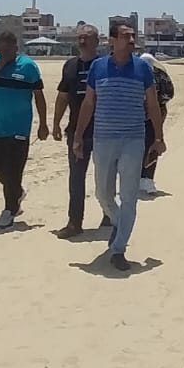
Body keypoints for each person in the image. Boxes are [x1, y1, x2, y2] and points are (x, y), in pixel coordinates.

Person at [73, 20, 165, 272]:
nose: (132, 40)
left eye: (133, 36)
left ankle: (118, 248)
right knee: (103, 193)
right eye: (126, 36)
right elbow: (89, 103)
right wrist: (78, 136)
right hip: (103, 138)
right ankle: (118, 222)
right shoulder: (98, 67)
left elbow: (153, 104)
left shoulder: (143, 68)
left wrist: (158, 137)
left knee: (129, 196)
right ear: (112, 41)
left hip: (133, 140)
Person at [0, 31, 49, 227]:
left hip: (19, 129)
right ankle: (17, 192)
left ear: (16, 48)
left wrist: (43, 124)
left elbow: (39, 96)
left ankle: (10, 209)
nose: (5, 52)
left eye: (9, 49)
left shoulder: (28, 66)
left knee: (13, 170)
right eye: (2, 49)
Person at [52, 25, 109, 238]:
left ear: (97, 41)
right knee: (76, 178)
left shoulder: (105, 65)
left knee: (105, 176)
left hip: (104, 131)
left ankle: (109, 214)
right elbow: (63, 96)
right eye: (80, 37)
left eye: (88, 37)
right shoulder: (70, 66)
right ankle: (74, 222)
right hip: (77, 131)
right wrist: (56, 123)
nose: (83, 41)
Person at [139, 54, 175, 195]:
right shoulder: (136, 73)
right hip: (140, 116)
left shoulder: (159, 75)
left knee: (152, 145)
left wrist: (154, 103)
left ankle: (147, 179)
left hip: (153, 116)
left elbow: (168, 94)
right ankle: (142, 178)